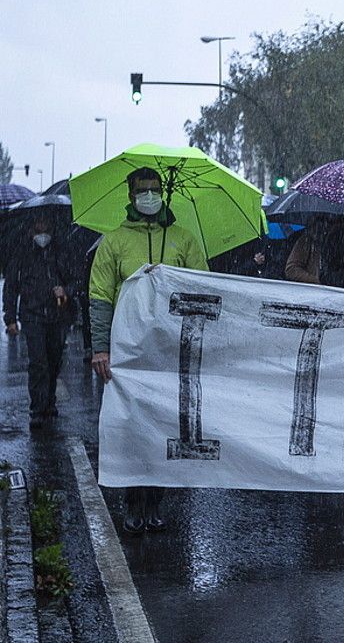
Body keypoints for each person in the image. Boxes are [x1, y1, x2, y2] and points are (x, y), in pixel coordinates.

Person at [89, 167, 208, 533]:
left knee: (164, 428)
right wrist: (100, 348)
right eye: (142, 191)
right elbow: (99, 297)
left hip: (171, 352)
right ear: (130, 196)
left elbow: (203, 287)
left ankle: (155, 501)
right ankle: (133, 502)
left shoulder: (183, 239)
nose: (149, 196)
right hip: (128, 355)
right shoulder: (113, 242)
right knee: (131, 429)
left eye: (155, 190)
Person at [4, 213, 77, 429]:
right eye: (38, 228)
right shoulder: (21, 254)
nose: (42, 233)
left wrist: (66, 290)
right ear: (31, 229)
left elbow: (76, 279)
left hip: (58, 316)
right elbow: (10, 287)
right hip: (32, 316)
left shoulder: (62, 252)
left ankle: (50, 401)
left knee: (54, 361)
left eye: (46, 228)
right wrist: (10, 318)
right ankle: (37, 408)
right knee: (38, 363)